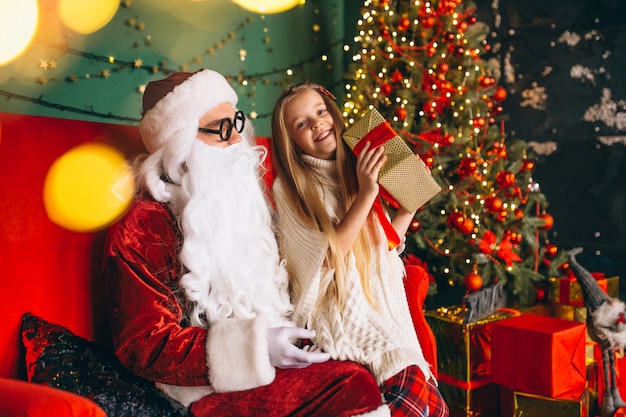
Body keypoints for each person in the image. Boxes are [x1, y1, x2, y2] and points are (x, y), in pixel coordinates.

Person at [102, 69, 390, 417]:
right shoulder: (145, 223)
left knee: (368, 364)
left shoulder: (245, 203)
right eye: (221, 130)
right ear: (182, 146)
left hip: (277, 364)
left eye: (236, 123)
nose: (237, 141)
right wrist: (257, 347)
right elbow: (143, 344)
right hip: (202, 387)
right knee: (351, 386)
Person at [270, 82, 449, 417]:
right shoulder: (291, 189)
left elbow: (381, 251)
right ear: (290, 143)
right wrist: (366, 194)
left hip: (381, 310)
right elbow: (322, 261)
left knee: (436, 407)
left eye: (320, 112)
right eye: (302, 124)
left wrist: (408, 205)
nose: (317, 123)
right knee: (407, 383)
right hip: (338, 315)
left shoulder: (355, 170)